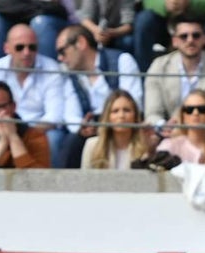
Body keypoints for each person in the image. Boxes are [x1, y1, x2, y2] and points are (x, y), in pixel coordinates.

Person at [56, 23, 142, 168]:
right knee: (71, 141)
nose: (60, 58)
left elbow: (134, 103)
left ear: (81, 43)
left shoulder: (122, 60)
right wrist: (82, 127)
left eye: (63, 51)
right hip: (90, 128)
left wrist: (108, 121)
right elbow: (71, 116)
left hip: (121, 123)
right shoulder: (69, 74)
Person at [0, 24, 66, 164]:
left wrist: (26, 134)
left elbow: (54, 116)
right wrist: (11, 132)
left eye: (32, 47)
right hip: (4, 128)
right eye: (19, 47)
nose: (26, 52)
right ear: (7, 48)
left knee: (54, 138)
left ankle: (51, 184)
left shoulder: (52, 69)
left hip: (40, 130)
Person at [143, 15, 205, 131]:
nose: (190, 40)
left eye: (196, 35)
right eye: (184, 36)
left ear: (204, 39)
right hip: (168, 135)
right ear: (174, 41)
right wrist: (164, 127)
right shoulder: (159, 67)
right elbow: (152, 113)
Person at [133, 0, 205, 72]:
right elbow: (146, 2)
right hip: (164, 25)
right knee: (144, 19)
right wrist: (165, 4)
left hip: (202, 25)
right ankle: (143, 78)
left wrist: (190, 3)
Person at [81, 88, 152, 168]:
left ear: (135, 116)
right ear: (108, 117)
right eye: (115, 111)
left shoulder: (145, 146)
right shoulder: (92, 146)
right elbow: (85, 178)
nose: (121, 116)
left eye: (126, 110)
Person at [0, 0, 71, 62]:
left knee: (40, 23)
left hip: (49, 20)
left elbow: (58, 9)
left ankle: (47, 75)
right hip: (17, 15)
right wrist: (36, 8)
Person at [157, 87, 205, 164]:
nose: (195, 113)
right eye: (189, 110)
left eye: (202, 109)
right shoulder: (169, 146)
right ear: (183, 116)